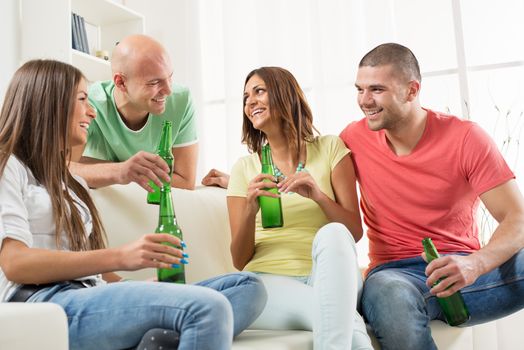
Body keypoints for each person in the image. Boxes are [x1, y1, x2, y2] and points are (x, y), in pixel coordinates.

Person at [0, 59, 266, 350]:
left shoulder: (66, 182)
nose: (91, 111)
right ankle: (167, 333)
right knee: (208, 308)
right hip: (47, 302)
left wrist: (136, 289)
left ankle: (160, 338)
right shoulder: (9, 165)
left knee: (248, 287)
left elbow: (93, 273)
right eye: (82, 99)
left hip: (90, 294)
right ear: (49, 104)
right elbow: (15, 263)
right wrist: (122, 256)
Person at [339, 43, 524, 349]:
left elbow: (517, 218)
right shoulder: (353, 138)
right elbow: (300, 156)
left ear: (412, 91)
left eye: (376, 89)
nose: (364, 101)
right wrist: (234, 180)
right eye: (359, 89)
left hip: (464, 271)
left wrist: (474, 265)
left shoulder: (466, 138)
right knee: (390, 295)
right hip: (395, 276)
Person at [227, 66, 373, 349]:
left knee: (333, 233)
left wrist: (318, 195)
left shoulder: (331, 148)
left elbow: (353, 232)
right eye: (246, 97)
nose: (250, 102)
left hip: (331, 274)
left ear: (284, 94)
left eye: (259, 91)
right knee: (344, 319)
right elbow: (239, 259)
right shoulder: (244, 169)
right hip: (269, 281)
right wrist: (249, 210)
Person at [69, 34, 198, 191]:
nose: (168, 91)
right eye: (154, 82)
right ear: (121, 82)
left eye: (170, 77)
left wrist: (105, 170)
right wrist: (123, 171)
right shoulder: (89, 103)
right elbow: (64, 168)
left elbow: (185, 180)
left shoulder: (181, 99)